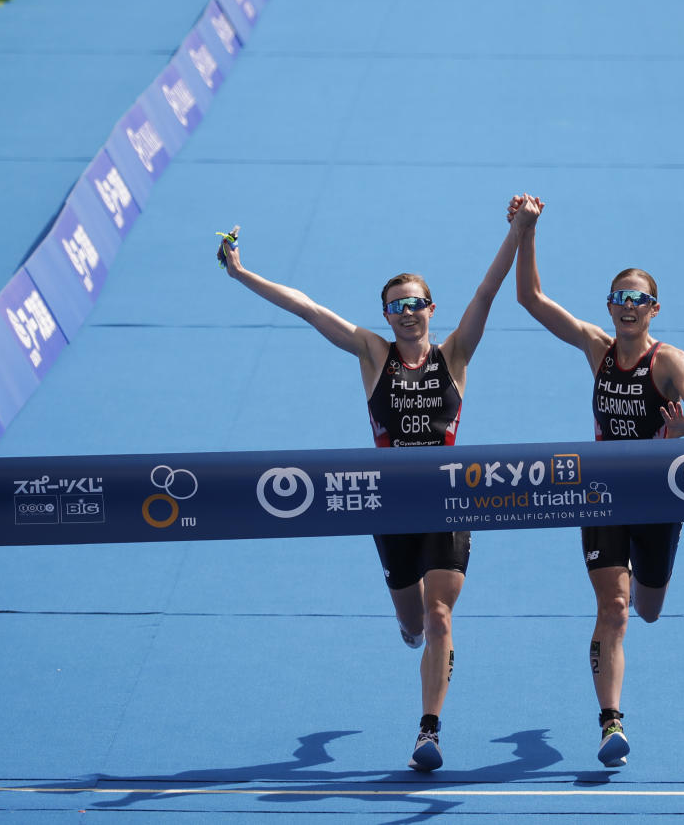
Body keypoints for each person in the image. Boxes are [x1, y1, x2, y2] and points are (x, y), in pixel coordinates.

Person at [220, 196, 542, 771]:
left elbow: (488, 292)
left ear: (431, 308)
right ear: (387, 316)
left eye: (416, 304)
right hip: (389, 507)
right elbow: (310, 310)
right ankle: (406, 626)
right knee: (414, 622)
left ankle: (428, 732)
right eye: (397, 307)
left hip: (447, 500)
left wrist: (520, 229)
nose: (408, 313)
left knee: (441, 613)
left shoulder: (456, 354)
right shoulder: (373, 353)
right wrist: (243, 274)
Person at [511, 195, 684, 768]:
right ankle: (611, 722)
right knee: (616, 608)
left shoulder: (667, 362)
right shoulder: (597, 347)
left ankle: (599, 707)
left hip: (657, 495)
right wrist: (527, 232)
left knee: (648, 608)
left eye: (639, 299)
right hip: (601, 490)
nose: (628, 307)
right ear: (609, 306)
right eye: (620, 298)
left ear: (654, 309)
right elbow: (530, 298)